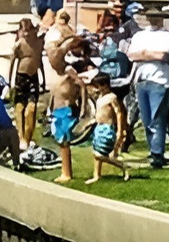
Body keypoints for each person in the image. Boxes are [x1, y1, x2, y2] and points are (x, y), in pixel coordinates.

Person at [126, 10, 169, 168]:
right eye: (151, 16)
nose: (154, 19)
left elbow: (163, 55)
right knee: (146, 119)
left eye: (157, 16)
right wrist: (148, 54)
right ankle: (153, 149)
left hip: (159, 81)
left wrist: (143, 53)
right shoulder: (139, 36)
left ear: (162, 18)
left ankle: (157, 154)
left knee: (158, 118)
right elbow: (131, 55)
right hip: (141, 80)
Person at [7, 18, 46, 153]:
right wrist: (9, 81)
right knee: (19, 107)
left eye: (29, 31)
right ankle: (20, 136)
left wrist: (43, 79)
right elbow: (12, 63)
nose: (27, 34)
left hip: (33, 76)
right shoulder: (19, 45)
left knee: (32, 108)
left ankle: (27, 139)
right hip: (21, 76)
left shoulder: (39, 43)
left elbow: (39, 60)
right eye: (24, 31)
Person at [84, 71, 131, 183]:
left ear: (106, 85)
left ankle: (122, 165)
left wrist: (120, 130)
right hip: (99, 127)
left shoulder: (112, 97)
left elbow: (119, 113)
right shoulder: (100, 97)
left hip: (107, 128)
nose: (97, 89)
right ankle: (96, 175)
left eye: (99, 86)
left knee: (99, 155)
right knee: (96, 150)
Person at [47, 55, 86, 183]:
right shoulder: (56, 74)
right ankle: (65, 171)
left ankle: (67, 173)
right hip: (57, 111)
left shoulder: (69, 71)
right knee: (60, 141)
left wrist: (83, 107)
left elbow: (82, 85)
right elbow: (54, 93)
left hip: (66, 110)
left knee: (64, 141)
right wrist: (49, 108)